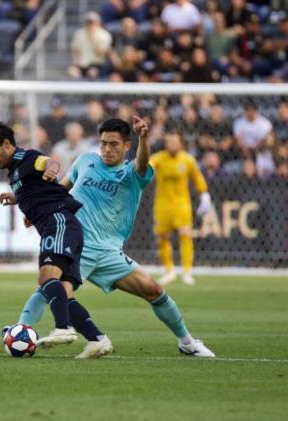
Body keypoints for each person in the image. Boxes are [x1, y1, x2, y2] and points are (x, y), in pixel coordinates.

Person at [14, 117, 215, 358]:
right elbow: (61, 189)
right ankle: (22, 329)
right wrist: (36, 209)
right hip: (77, 243)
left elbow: (142, 165)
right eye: (103, 143)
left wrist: (144, 137)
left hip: (109, 251)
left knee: (154, 290)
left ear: (127, 146)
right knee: (50, 287)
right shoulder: (86, 160)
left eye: (114, 144)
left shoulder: (132, 173)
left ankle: (187, 342)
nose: (107, 149)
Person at [0, 121, 108, 353]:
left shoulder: (26, 157)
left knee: (46, 278)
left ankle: (63, 328)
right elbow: (35, 188)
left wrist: (52, 168)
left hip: (58, 223)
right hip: (66, 226)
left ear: (6, 144)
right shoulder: (15, 172)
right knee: (63, 294)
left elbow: (47, 162)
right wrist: (19, 199)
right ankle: (98, 339)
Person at [149, 131, 211, 285]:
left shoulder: (187, 160)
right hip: (162, 204)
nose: (172, 145)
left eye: (175, 142)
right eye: (169, 142)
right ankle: (169, 270)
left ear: (181, 143)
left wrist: (204, 194)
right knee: (162, 237)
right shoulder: (158, 159)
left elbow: (197, 177)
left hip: (182, 204)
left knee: (185, 235)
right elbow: (145, 169)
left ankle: (187, 271)